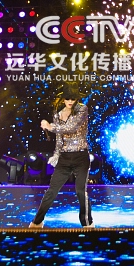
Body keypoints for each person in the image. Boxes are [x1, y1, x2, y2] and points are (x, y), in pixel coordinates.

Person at [29, 84, 93, 228]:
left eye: (73, 99)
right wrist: (57, 154)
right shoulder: (58, 114)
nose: (70, 101)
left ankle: (87, 223)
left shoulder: (82, 109)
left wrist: (50, 126)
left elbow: (71, 128)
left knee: (80, 191)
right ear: (63, 99)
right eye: (68, 98)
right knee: (51, 191)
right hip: (64, 158)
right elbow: (59, 138)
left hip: (80, 157)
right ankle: (37, 222)